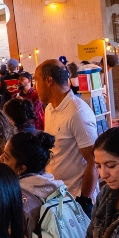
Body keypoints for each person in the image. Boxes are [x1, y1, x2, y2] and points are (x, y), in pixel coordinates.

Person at [35, 59, 99, 215]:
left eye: (36, 81)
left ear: (48, 80)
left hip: (76, 199)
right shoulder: (50, 108)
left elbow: (94, 160)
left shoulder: (77, 112)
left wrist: (84, 201)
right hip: (59, 196)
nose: (34, 87)